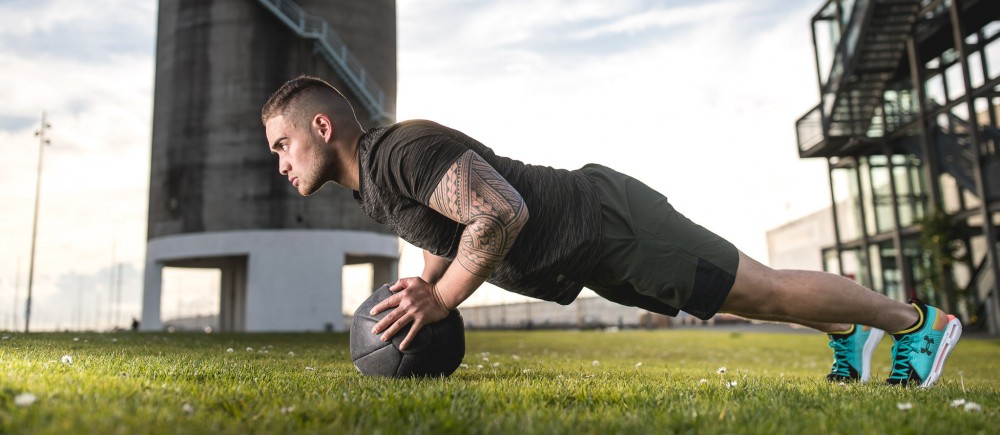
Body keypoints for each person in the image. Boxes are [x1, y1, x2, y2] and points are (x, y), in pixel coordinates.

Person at [261, 75, 962, 388]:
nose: (281, 162)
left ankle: (916, 321)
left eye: (282, 144)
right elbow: (441, 231)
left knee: (767, 290)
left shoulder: (400, 149)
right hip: (590, 253)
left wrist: (441, 303)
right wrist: (425, 282)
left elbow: (499, 211)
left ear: (321, 127)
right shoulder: (378, 185)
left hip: (609, 223)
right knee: (730, 298)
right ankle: (849, 331)